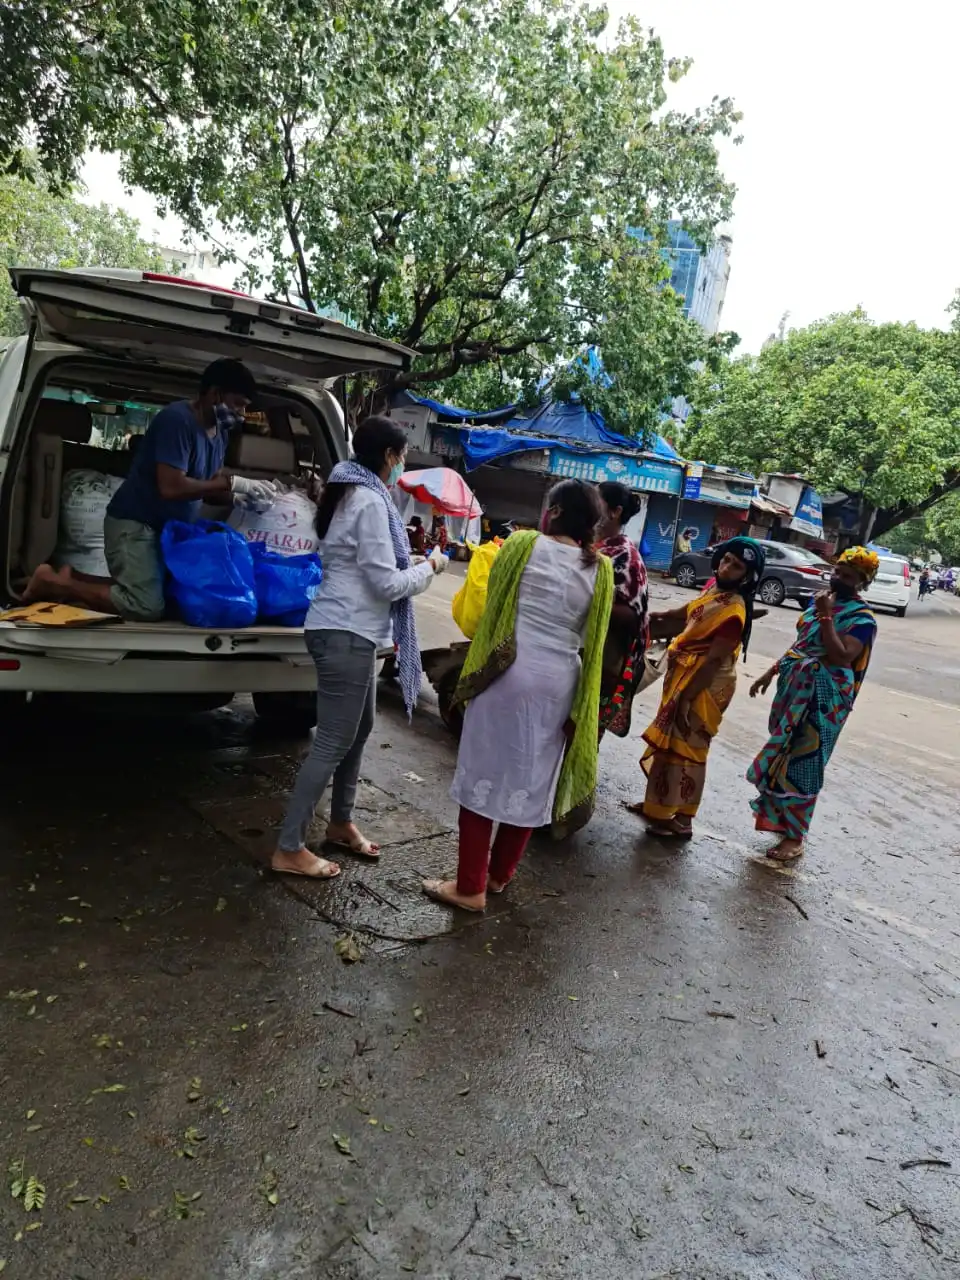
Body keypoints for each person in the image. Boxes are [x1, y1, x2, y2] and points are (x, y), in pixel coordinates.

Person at [422, 480, 613, 911]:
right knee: (531, 779)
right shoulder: (600, 571)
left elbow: (493, 608)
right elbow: (591, 638)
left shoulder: (522, 545)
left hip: (508, 674)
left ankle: (469, 887)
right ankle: (499, 875)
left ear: (558, 512)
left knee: (481, 775)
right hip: (562, 681)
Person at [272, 417, 447, 880]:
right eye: (402, 457)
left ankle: (340, 822)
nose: (401, 465)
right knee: (332, 739)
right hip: (344, 630)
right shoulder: (368, 500)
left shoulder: (348, 492)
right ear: (389, 456)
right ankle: (289, 846)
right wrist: (430, 567)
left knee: (361, 725)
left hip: (351, 630)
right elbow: (386, 582)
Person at [23, 359, 274, 620]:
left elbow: (206, 486)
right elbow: (171, 487)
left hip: (168, 530)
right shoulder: (177, 421)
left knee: (174, 596)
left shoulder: (219, 432)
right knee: (146, 606)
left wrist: (240, 498)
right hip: (136, 524)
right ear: (215, 394)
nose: (241, 414)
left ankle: (70, 578)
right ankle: (56, 584)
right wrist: (231, 482)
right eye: (238, 404)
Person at [627, 536, 766, 838]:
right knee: (669, 745)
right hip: (685, 676)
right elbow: (680, 617)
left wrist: (687, 700)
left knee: (690, 749)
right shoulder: (714, 592)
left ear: (747, 575)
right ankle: (658, 806)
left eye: (737, 566)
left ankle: (683, 820)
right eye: (726, 560)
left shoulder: (734, 612)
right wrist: (644, 619)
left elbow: (713, 662)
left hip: (704, 686)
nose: (727, 567)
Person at [747, 546, 878, 862]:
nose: (838, 578)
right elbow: (801, 644)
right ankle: (782, 822)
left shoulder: (863, 619)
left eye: (848, 576)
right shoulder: (821, 601)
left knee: (805, 764)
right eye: (837, 572)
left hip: (824, 697)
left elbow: (841, 655)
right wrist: (770, 671)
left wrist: (825, 615)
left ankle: (795, 837)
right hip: (794, 688)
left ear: (862, 582)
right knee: (784, 756)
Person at [596, 481, 649, 738]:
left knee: (582, 735)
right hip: (578, 652)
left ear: (615, 511)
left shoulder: (625, 557)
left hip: (604, 661)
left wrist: (590, 599)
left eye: (596, 500)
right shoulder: (593, 545)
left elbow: (633, 617)